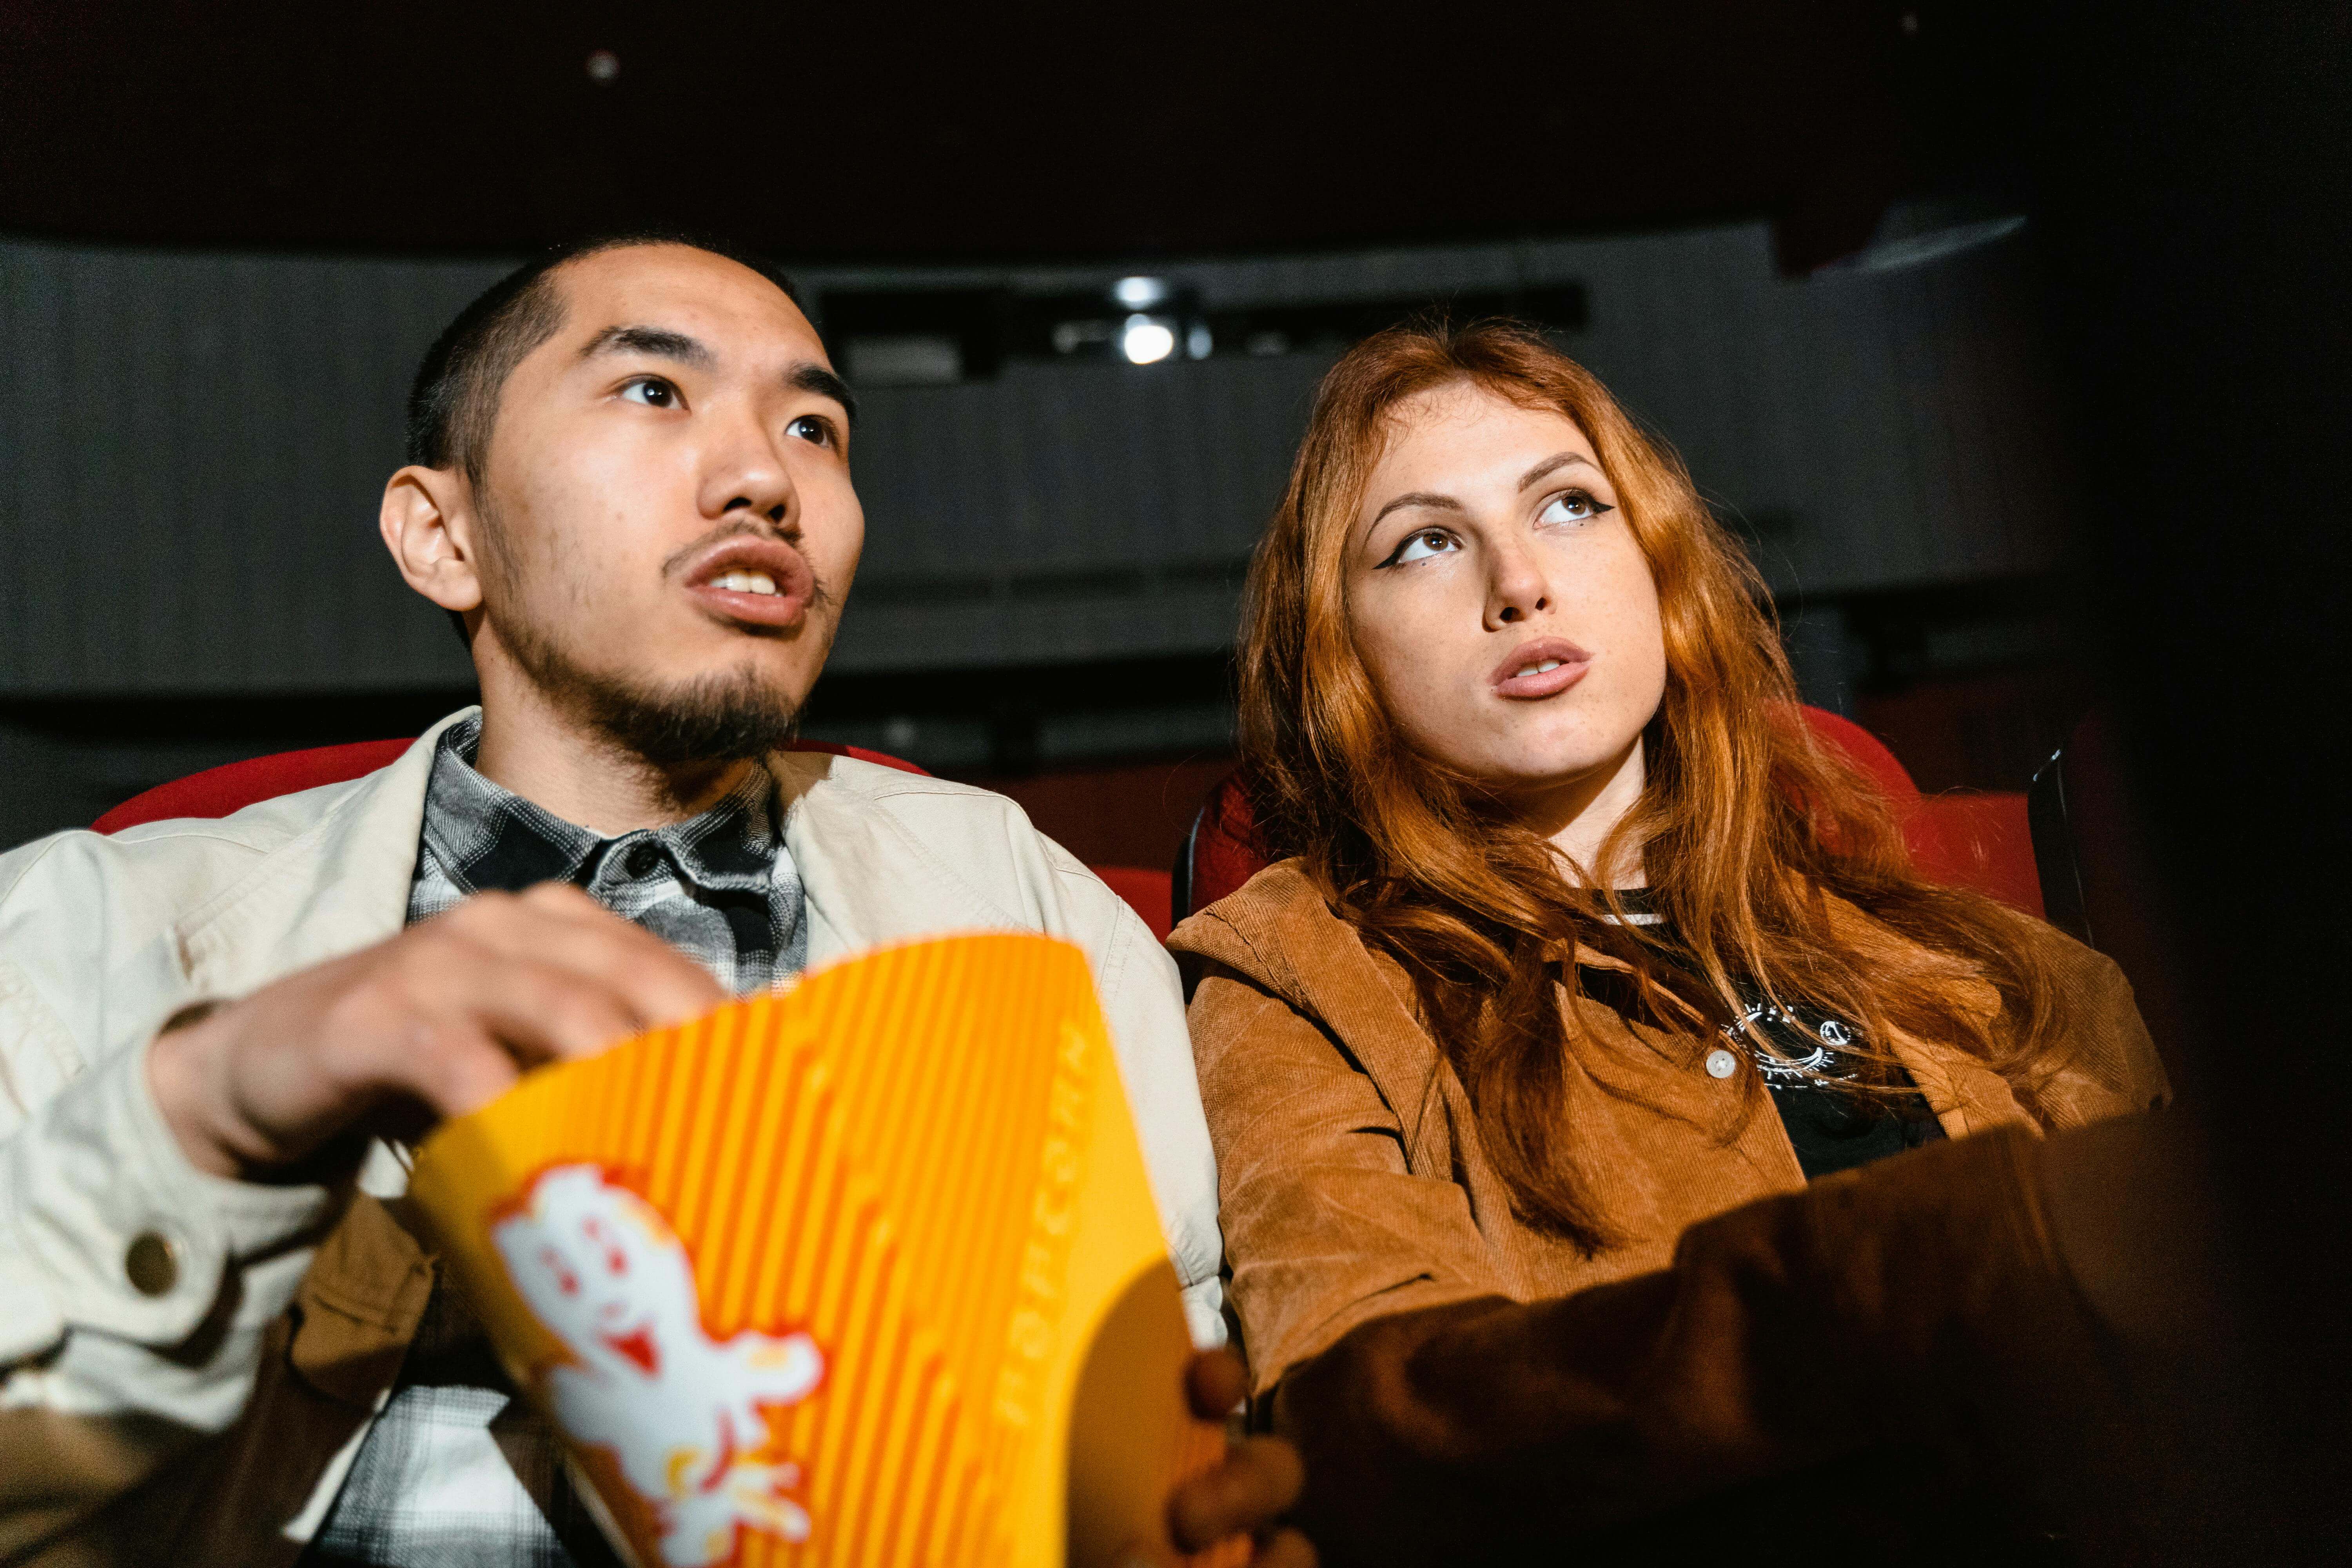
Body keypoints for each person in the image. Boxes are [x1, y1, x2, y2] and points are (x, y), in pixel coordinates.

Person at [0, 235, 1308, 1567]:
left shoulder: (1029, 910)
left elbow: (1176, 1418)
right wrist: (203, 1115)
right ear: (442, 535)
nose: (767, 478)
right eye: (653, 393)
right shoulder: (84, 930)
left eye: (816, 427)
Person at [1167, 321, 2187, 1563]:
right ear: (1344, 650)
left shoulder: (1988, 965)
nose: (1518, 582)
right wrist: (1931, 1265)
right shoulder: (1293, 970)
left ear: (1657, 567)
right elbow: (1369, 1424)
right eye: (1426, 542)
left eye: (1570, 506)